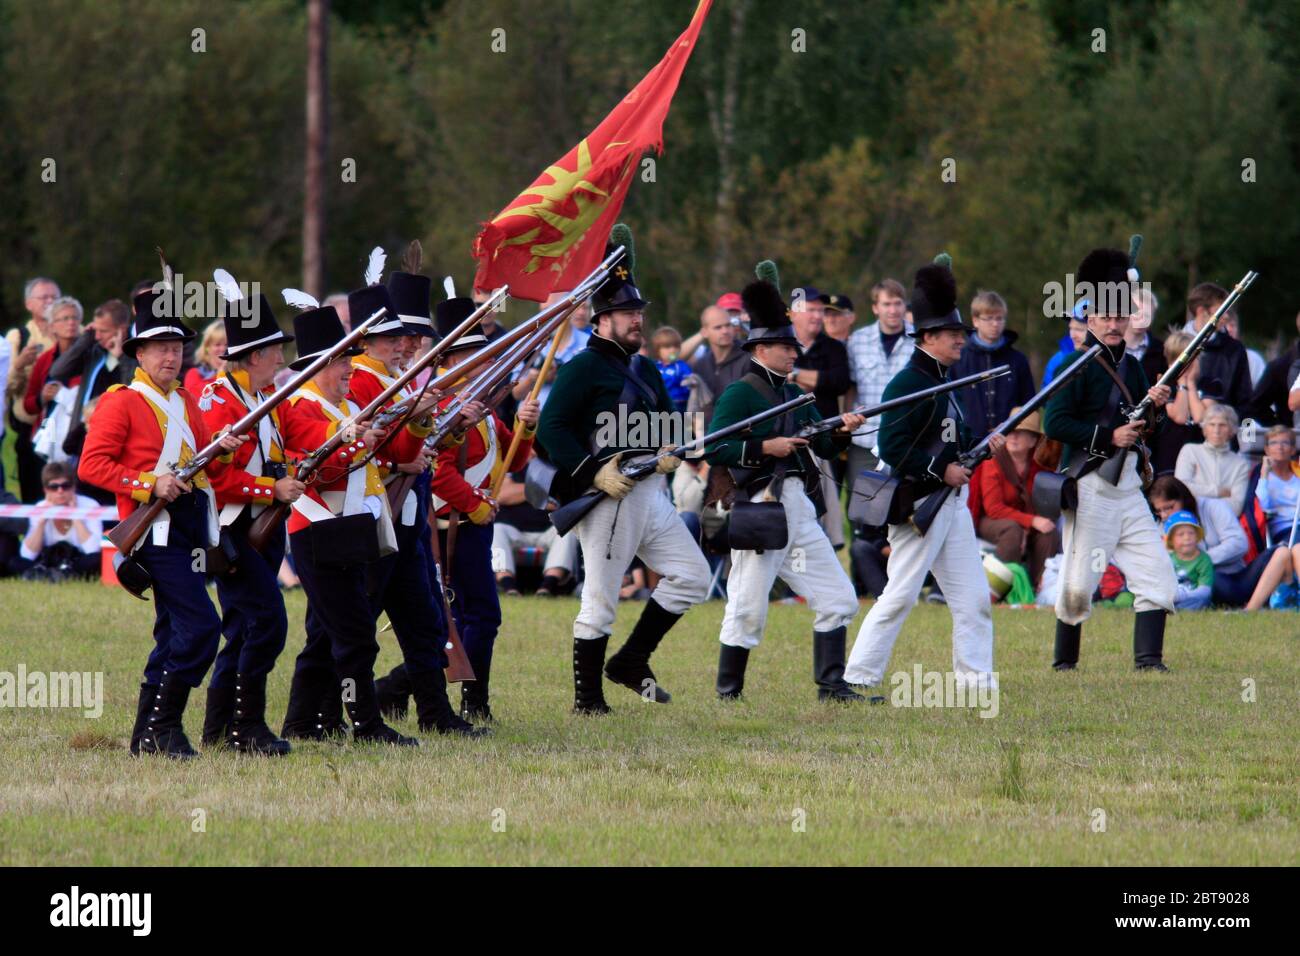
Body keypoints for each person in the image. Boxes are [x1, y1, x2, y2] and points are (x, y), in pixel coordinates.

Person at [535, 228, 709, 714]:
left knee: (692, 577)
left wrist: (670, 447)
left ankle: (631, 660)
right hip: (610, 495)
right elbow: (552, 428)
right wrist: (592, 473)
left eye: (639, 313)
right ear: (602, 320)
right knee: (601, 599)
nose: (638, 321)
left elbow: (659, 423)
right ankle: (587, 700)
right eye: (629, 314)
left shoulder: (646, 368)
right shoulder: (581, 368)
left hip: (651, 492)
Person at [79, 282, 243, 757]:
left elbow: (208, 465)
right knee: (201, 628)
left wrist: (225, 448)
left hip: (189, 527)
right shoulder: (121, 401)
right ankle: (163, 724)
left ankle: (150, 733)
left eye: (175, 348)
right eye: (161, 349)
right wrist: (149, 482)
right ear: (141, 353)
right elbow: (92, 466)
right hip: (155, 531)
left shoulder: (188, 401)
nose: (171, 358)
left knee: (173, 631)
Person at [706, 262, 865, 702]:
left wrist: (842, 431)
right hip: (760, 507)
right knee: (748, 608)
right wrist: (765, 448)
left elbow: (826, 448)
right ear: (760, 349)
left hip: (799, 509)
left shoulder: (796, 395)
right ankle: (728, 692)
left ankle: (831, 686)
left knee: (839, 599)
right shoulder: (740, 393)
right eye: (784, 346)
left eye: (793, 346)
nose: (794, 353)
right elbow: (713, 449)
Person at [844, 255, 1002, 693]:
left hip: (950, 506)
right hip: (919, 505)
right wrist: (942, 469)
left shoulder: (945, 382)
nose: (961, 342)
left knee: (973, 600)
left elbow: (958, 440)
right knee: (899, 596)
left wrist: (981, 449)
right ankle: (857, 676)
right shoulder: (909, 383)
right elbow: (893, 449)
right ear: (929, 337)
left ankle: (975, 681)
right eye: (954, 335)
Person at [346, 270, 486, 737]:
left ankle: (434, 713)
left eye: (411, 336)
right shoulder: (363, 382)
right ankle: (328, 715)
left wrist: (441, 430)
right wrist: (408, 455)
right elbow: (371, 447)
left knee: (423, 618)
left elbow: (411, 445)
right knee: (354, 625)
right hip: (376, 510)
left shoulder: (394, 380)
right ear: (367, 341)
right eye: (396, 337)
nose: (407, 345)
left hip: (406, 513)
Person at [275, 302, 417, 746]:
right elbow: (313, 460)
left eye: (348, 360)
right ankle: (366, 724)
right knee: (357, 638)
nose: (349, 369)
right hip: (320, 531)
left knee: (324, 635)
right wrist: (355, 439)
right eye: (340, 361)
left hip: (347, 530)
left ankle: (303, 721)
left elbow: (386, 456)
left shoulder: (343, 408)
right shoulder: (301, 407)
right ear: (318, 366)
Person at [1042, 243, 1176, 672]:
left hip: (1130, 488)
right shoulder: (1073, 365)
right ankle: (1065, 664)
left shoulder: (1134, 368)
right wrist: (1107, 435)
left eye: (1121, 317)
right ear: (1090, 321)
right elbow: (1055, 425)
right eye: (1106, 317)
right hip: (1091, 486)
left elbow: (1143, 429)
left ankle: (1149, 662)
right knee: (1079, 584)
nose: (1115, 324)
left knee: (1157, 576)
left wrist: (1154, 404)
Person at [193, 279, 302, 755]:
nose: (281, 359)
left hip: (264, 527)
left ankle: (219, 729)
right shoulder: (220, 400)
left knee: (240, 627)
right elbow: (214, 476)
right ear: (254, 355)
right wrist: (269, 488)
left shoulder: (262, 401)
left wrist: (292, 473)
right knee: (267, 622)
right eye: (275, 351)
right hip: (232, 528)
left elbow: (273, 455)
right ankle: (247, 726)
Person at [421, 292, 539, 723]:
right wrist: (474, 506)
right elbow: (437, 473)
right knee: (479, 616)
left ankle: (407, 690)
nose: (487, 363)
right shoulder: (447, 408)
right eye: (476, 355)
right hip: (454, 523)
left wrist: (526, 427)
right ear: (452, 359)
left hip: (473, 521)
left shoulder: (479, 407)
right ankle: (474, 702)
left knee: (467, 616)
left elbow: (515, 459)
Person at [971, 408, 1059, 588]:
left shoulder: (1039, 470)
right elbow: (993, 509)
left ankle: (1037, 589)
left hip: (1022, 524)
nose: (1013, 437)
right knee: (1012, 530)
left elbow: (1041, 507)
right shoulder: (992, 462)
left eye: (1020, 433)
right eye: (1010, 432)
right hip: (991, 521)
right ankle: (1001, 589)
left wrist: (1028, 526)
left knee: (1048, 533)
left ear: (1033, 440)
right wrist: (1030, 521)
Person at [1146, 475, 1259, 608]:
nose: (1164, 515)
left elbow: (1239, 543)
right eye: (1159, 510)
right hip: (1190, 582)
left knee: (1274, 553)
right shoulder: (1162, 524)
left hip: (1230, 575)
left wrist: (1199, 560)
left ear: (1183, 499)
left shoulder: (1214, 507)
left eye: (1168, 507)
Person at [845, 278, 912, 478]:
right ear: (875, 308)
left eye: (898, 303)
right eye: (886, 304)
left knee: (903, 505)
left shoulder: (919, 341)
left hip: (906, 440)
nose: (893, 310)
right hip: (865, 440)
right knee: (861, 505)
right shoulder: (858, 341)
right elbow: (851, 387)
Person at [951, 290, 1035, 441]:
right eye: (989, 318)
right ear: (975, 320)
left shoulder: (1017, 360)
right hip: (968, 441)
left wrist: (1011, 425)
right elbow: (951, 404)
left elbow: (1029, 404)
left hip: (1008, 440)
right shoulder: (958, 359)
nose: (995, 324)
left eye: (999, 318)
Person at [6, 277, 60, 502]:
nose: (49, 302)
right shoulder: (18, 337)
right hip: (31, 430)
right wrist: (19, 365)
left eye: (54, 297)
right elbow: (7, 387)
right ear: (29, 304)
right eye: (43, 297)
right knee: (34, 494)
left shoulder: (74, 330)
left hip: (65, 427)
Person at [9, 461, 101, 580]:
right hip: (48, 559)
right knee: (15, 562)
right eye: (54, 487)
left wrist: (75, 515)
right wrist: (42, 521)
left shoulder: (90, 506)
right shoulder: (40, 507)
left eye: (65, 486)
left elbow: (92, 550)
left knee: (97, 560)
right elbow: (27, 555)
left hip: (76, 559)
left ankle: (56, 574)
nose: (60, 491)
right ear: (46, 490)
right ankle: (53, 574)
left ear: (74, 487)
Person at [492, 469, 577, 596]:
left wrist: (519, 493)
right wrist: (540, 494)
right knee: (496, 529)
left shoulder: (555, 464)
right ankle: (507, 586)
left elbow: (563, 496)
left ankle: (547, 587)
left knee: (568, 530)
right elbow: (501, 495)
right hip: (515, 532)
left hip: (548, 532)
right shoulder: (512, 464)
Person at [24, 296, 85, 463]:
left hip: (81, 433)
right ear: (52, 326)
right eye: (65, 318)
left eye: (75, 318)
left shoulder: (91, 356)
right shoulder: (45, 360)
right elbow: (28, 405)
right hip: (49, 436)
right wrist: (42, 397)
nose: (71, 322)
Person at [1185, 282, 1252, 417]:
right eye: (1221, 310)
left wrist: (1241, 433)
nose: (1226, 316)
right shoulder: (1171, 347)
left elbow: (1244, 401)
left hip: (1222, 430)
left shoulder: (1234, 350)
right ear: (1201, 311)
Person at [1150, 331, 1210, 476]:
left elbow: (1200, 417)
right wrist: (1182, 382)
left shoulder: (1210, 383)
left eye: (1193, 358)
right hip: (1170, 457)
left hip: (1200, 455)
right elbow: (1180, 416)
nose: (1188, 364)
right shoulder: (1166, 384)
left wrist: (1191, 383)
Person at [1174, 404, 1251, 515]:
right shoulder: (1190, 451)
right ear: (1204, 429)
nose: (1216, 430)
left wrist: (1197, 494)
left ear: (1231, 430)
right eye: (1212, 424)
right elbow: (1180, 489)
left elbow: (1236, 507)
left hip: (1225, 524)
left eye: (1222, 425)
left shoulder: (1240, 463)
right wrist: (1218, 492)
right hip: (1191, 520)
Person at [687, 304, 746, 429]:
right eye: (718, 327)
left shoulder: (749, 357)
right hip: (708, 438)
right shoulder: (700, 365)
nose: (725, 331)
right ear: (704, 332)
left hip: (742, 435)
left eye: (728, 325)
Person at [1163, 510, 1213, 610]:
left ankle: (1177, 609)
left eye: (1191, 533)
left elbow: (1205, 590)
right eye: (1181, 534)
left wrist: (1183, 596)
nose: (1187, 538)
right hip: (1171, 598)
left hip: (1192, 598)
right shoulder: (1168, 559)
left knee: (1203, 601)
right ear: (1171, 540)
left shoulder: (1204, 560)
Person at [1125, 287, 1167, 387]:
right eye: (1137, 314)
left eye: (1147, 316)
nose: (1142, 320)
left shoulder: (1162, 351)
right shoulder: (1109, 346)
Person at [1043, 301, 1089, 385]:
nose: (1072, 335)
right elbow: (1047, 396)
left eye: (1079, 329)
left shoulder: (1113, 358)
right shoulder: (1058, 360)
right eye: (1071, 328)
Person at [651, 326, 693, 413]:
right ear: (658, 350)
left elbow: (688, 386)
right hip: (659, 406)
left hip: (680, 405)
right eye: (667, 347)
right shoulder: (654, 366)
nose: (672, 350)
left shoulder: (680, 366)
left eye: (676, 346)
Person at [183, 320, 226, 396]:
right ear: (207, 347)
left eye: (227, 345)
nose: (223, 349)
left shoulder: (239, 373)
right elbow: (197, 399)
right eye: (217, 345)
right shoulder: (195, 374)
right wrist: (221, 374)